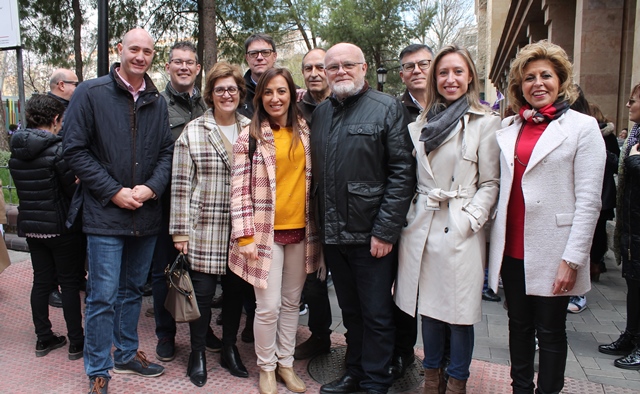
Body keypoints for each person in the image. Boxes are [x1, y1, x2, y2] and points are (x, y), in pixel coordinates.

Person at [487, 40, 605, 394]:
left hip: (555, 251)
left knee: (551, 331)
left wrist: (573, 259)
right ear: (519, 86)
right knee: (518, 326)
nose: (537, 83)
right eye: (529, 78)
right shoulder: (509, 127)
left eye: (545, 76)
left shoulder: (582, 127)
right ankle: (520, 388)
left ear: (560, 79)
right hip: (512, 249)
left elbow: (589, 201)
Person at [63, 28, 174, 394]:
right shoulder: (91, 93)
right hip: (105, 215)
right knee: (102, 295)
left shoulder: (157, 101)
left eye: (148, 51)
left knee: (131, 290)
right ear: (119, 50)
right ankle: (98, 369)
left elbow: (165, 153)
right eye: (134, 49)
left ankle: (126, 353)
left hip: (145, 212)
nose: (140, 56)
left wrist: (151, 187)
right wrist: (113, 192)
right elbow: (74, 150)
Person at [310, 43, 416, 394]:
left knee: (377, 315)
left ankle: (375, 381)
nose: (340, 71)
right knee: (351, 313)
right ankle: (354, 372)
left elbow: (402, 173)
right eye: (333, 66)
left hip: (372, 236)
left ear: (364, 68)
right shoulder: (321, 113)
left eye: (347, 65)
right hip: (334, 236)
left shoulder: (387, 108)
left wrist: (385, 231)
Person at [395, 44, 500, 393]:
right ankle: (431, 376)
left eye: (457, 71)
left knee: (459, 313)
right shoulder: (421, 123)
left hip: (459, 225)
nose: (450, 79)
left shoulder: (485, 122)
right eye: (443, 72)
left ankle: (457, 381)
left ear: (470, 75)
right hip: (423, 225)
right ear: (434, 78)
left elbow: (490, 182)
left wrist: (470, 219)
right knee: (431, 309)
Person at [229, 67, 321, 394]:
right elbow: (239, 191)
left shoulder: (306, 132)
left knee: (292, 303)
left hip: (301, 233)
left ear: (291, 94)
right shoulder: (249, 136)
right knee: (267, 308)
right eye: (268, 92)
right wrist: (245, 236)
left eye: (281, 91)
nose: (275, 98)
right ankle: (266, 367)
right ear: (259, 97)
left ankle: (286, 363)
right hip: (264, 235)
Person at [170, 62, 251, 386]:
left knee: (235, 292)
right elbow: (180, 184)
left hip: (241, 227)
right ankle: (198, 352)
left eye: (232, 88)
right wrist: (180, 230)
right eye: (220, 89)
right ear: (210, 94)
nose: (226, 94)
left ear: (239, 93)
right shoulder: (194, 130)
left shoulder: (251, 128)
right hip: (204, 225)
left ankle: (229, 347)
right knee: (201, 294)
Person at [9, 94, 85, 360]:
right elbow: (70, 189)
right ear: (55, 119)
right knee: (69, 283)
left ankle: (43, 338)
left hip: (31, 227)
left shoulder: (16, 152)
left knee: (41, 282)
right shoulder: (58, 151)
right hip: (61, 228)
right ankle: (76, 341)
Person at [152, 40, 210, 363]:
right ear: (168, 66)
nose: (184, 67)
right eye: (178, 62)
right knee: (166, 271)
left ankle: (202, 332)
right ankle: (165, 333)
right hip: (166, 205)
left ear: (198, 68)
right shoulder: (157, 105)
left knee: (200, 273)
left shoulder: (207, 105)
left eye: (190, 62)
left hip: (201, 205)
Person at [294, 48, 333, 361]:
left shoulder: (345, 104)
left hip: (344, 208)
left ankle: (361, 345)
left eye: (320, 66)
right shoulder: (295, 109)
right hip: (307, 209)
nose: (314, 73)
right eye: (308, 68)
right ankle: (320, 336)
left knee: (350, 284)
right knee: (313, 281)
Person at [600, 82, 640, 370]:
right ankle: (630, 336)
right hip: (631, 225)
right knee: (633, 286)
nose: (628, 105)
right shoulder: (635, 136)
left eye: (633, 100)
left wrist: (635, 160)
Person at [238, 33, 278, 118]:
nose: (259, 57)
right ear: (247, 58)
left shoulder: (292, 91)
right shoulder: (237, 93)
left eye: (265, 52)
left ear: (274, 56)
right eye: (253, 53)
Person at [399, 44, 434, 122]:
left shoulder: (449, 104)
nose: (416, 71)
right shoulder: (394, 110)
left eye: (423, 64)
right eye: (409, 66)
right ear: (402, 76)